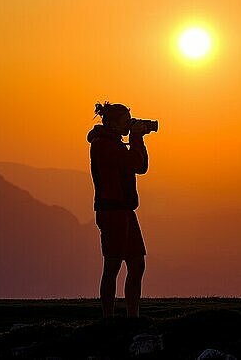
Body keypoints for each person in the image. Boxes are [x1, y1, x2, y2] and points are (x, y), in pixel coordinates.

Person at [87, 101, 150, 319]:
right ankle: (108, 319)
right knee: (112, 266)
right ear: (113, 123)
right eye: (126, 121)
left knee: (137, 263)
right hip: (111, 212)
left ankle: (133, 317)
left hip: (124, 211)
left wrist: (137, 139)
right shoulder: (103, 145)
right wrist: (136, 138)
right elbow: (134, 162)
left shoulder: (114, 143)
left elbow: (140, 167)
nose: (129, 124)